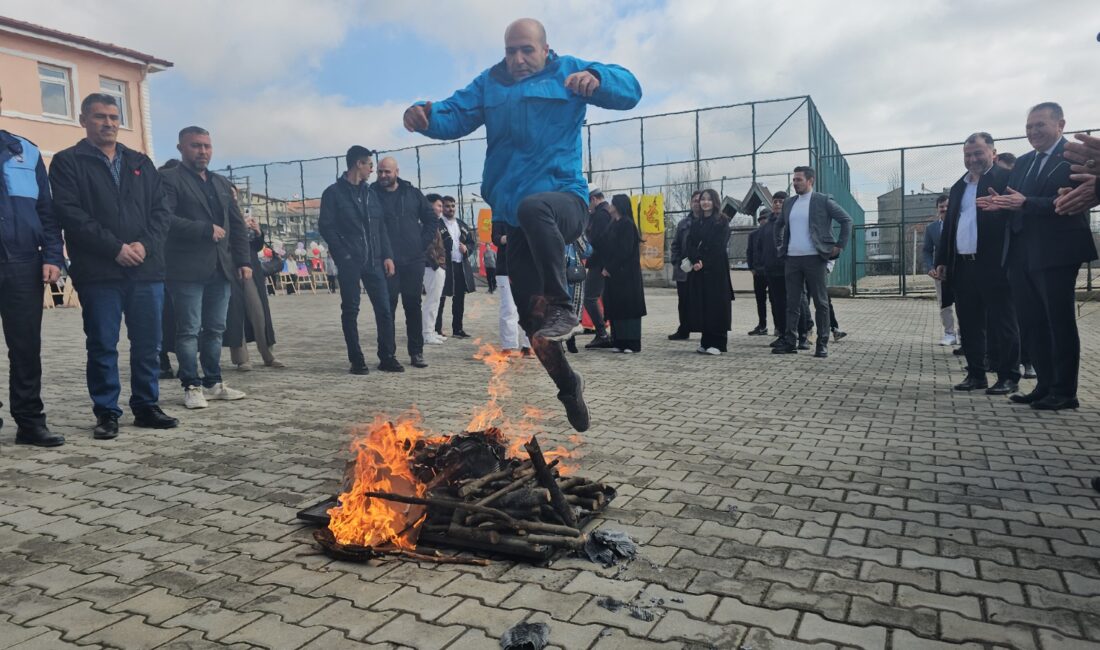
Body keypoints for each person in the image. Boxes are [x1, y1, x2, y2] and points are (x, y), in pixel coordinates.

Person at [403, 17, 641, 432]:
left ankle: (565, 302)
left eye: (526, 49)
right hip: (517, 223)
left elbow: (630, 89)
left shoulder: (567, 70)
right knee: (536, 329)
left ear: (546, 49)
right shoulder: (490, 84)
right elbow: (453, 113)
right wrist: (425, 116)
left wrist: (597, 78)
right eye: (511, 50)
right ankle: (569, 386)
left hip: (564, 201)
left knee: (536, 208)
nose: (517, 58)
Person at [49, 93, 178, 438]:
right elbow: (70, 214)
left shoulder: (140, 161)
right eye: (99, 117)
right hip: (99, 272)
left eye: (112, 117)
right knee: (103, 343)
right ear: (83, 120)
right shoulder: (67, 162)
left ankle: (146, 406)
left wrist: (143, 246)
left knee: (148, 343)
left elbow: (162, 212)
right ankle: (107, 412)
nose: (107, 123)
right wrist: (115, 248)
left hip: (146, 270)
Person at [989, 103, 1097, 410]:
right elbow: (1018, 202)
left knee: (1057, 321)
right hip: (1021, 252)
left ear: (1060, 124)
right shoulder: (1022, 163)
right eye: (1028, 127)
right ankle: (1044, 385)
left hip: (1057, 252)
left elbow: (1070, 201)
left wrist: (1025, 203)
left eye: (1040, 125)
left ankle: (1065, 391)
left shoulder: (1075, 158)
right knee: (1032, 322)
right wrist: (1003, 205)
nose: (1033, 132)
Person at [161, 126, 251, 409]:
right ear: (181, 148)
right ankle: (191, 385)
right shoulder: (168, 180)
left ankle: (213, 382)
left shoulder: (222, 184)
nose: (202, 151)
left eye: (207, 146)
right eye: (195, 146)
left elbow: (235, 225)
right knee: (189, 329)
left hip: (221, 269)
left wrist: (244, 260)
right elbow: (164, 219)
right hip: (185, 268)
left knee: (215, 329)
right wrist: (202, 229)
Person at [0, 86, 65, 447]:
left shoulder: (26, 149)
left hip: (24, 262)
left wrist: (53, 256)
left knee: (25, 347)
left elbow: (47, 211)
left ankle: (29, 422)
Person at [932, 132, 1018, 395]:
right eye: (968, 155)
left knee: (1003, 322)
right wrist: (943, 260)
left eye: (978, 153)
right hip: (963, 265)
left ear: (993, 152)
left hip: (995, 264)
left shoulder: (1005, 180)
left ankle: (1008, 376)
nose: (973, 159)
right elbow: (949, 228)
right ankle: (976, 374)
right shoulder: (959, 187)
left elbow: (1018, 219)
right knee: (969, 322)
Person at [318, 145, 401, 375]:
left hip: (375, 261)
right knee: (351, 310)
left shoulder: (370, 193)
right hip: (350, 262)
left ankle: (387, 357)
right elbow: (326, 227)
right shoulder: (333, 194)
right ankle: (357, 359)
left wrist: (388, 256)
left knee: (384, 309)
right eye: (370, 165)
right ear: (358, 164)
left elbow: (380, 227)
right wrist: (344, 255)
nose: (372, 171)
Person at [772, 166, 853, 358]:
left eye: (799, 179)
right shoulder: (789, 203)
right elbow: (778, 226)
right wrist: (780, 248)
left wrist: (839, 246)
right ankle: (791, 341)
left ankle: (822, 343)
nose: (795, 183)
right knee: (792, 303)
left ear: (810, 181)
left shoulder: (822, 201)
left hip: (815, 258)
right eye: (794, 180)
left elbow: (846, 220)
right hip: (792, 259)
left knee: (821, 303)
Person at [373, 157, 435, 368]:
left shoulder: (412, 193)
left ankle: (416, 352)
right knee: (386, 308)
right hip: (385, 261)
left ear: (396, 172)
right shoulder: (371, 194)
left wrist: (422, 244)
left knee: (413, 306)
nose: (382, 176)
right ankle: (387, 355)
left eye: (387, 172)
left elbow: (431, 219)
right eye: (380, 172)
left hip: (413, 260)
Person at [226, 212, 284, 370]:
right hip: (229, 267)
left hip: (250, 267)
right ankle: (241, 359)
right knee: (236, 314)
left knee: (258, 311)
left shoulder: (239, 215)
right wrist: (238, 228)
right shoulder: (221, 214)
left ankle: (268, 354)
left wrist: (258, 232)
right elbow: (222, 241)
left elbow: (255, 246)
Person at [685, 188, 733, 355]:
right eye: (702, 199)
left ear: (715, 202)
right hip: (700, 270)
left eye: (708, 199)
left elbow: (718, 246)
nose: (705, 202)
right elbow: (690, 243)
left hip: (716, 270)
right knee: (704, 305)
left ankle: (719, 343)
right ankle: (706, 342)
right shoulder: (697, 222)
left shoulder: (722, 221)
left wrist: (703, 261)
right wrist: (695, 260)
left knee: (717, 305)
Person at [597, 194, 646, 353]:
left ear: (618, 205)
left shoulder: (627, 224)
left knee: (628, 308)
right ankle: (618, 341)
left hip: (627, 275)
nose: (609, 206)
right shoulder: (613, 224)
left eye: (612, 203)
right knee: (617, 307)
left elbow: (624, 251)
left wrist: (609, 268)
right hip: (615, 276)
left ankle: (631, 343)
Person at [436, 195, 476, 338]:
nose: (450, 209)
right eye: (447, 206)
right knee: (440, 298)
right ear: (442, 208)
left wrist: (467, 249)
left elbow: (472, 243)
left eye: (452, 206)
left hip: (460, 266)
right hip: (444, 266)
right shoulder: (437, 224)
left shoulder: (462, 225)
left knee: (459, 299)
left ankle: (457, 329)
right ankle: (437, 329)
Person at [492, 221, 532, 356]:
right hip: (505, 269)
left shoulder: (529, 217)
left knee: (529, 308)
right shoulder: (500, 219)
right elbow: (496, 238)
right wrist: (510, 238)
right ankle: (508, 346)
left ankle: (528, 345)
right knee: (509, 308)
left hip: (527, 269)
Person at [922, 195, 957, 346]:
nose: (945, 209)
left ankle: (964, 334)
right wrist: (930, 267)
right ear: (937, 209)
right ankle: (949, 333)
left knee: (964, 303)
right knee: (944, 304)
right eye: (942, 207)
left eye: (948, 206)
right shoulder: (932, 229)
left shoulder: (959, 224)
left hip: (960, 270)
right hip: (940, 273)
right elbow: (927, 251)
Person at [668, 191, 701, 340]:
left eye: (700, 200)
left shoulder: (707, 222)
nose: (697, 203)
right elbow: (675, 244)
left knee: (701, 300)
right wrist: (676, 261)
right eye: (694, 200)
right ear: (690, 203)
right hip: (684, 269)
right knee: (684, 301)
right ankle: (684, 328)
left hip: (701, 268)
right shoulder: (683, 224)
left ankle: (703, 327)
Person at [583, 187, 613, 347]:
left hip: (599, 262)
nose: (588, 207)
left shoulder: (601, 215)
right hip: (604, 262)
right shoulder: (606, 212)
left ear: (594, 199)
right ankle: (609, 333)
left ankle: (602, 333)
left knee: (589, 298)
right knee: (605, 298)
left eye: (588, 202)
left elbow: (598, 240)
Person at [759, 193, 788, 346]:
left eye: (780, 202)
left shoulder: (789, 220)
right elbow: (761, 246)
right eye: (775, 202)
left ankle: (802, 333)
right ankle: (782, 333)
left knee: (792, 303)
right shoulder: (767, 225)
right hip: (771, 270)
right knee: (777, 303)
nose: (777, 204)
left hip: (787, 268)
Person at [422, 193, 448, 344]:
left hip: (437, 266)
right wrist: (436, 264)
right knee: (431, 300)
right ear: (430, 206)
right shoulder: (426, 223)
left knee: (435, 300)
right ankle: (427, 333)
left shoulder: (434, 222)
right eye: (439, 205)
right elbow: (427, 245)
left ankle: (431, 331)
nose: (441, 209)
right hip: (432, 267)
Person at [745, 210, 770, 335]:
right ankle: (762, 325)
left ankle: (779, 327)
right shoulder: (753, 235)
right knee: (760, 300)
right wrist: (752, 268)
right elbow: (749, 252)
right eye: (761, 219)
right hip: (758, 273)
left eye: (766, 218)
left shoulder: (774, 232)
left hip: (772, 272)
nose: (764, 221)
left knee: (776, 301)